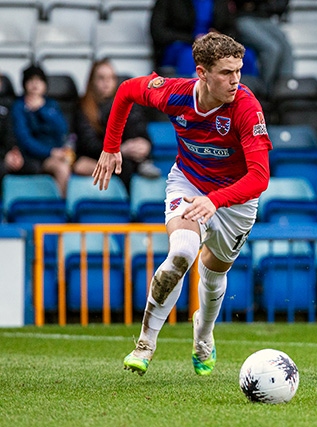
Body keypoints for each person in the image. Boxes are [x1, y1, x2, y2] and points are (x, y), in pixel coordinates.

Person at [92, 32, 272, 376]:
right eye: (226, 73)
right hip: (189, 183)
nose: (236, 80)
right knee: (182, 252)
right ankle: (145, 344)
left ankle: (203, 334)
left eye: (239, 71)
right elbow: (128, 89)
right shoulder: (174, 92)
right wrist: (112, 145)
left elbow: (260, 178)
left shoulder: (246, 108)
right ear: (201, 73)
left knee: (215, 271)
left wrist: (215, 201)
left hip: (236, 199)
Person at [74, 59, 160, 191]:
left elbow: (138, 128)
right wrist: (118, 150)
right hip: (95, 157)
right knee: (124, 165)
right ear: (92, 82)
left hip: (123, 155)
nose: (107, 82)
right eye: (101, 78)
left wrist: (145, 144)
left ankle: (143, 162)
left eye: (111, 78)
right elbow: (88, 144)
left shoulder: (124, 103)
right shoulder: (83, 108)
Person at [11, 65, 71, 196]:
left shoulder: (51, 105)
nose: (34, 85)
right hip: (34, 156)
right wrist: (50, 152)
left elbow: (63, 129)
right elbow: (24, 139)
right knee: (62, 169)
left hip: (57, 153)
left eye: (39, 81)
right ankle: (58, 211)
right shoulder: (19, 107)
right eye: (30, 80)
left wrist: (42, 109)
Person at [150, 0, 237, 77]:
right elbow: (159, 32)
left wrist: (219, 37)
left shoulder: (220, 2)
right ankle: (187, 93)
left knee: (244, 55)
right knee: (190, 56)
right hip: (180, 45)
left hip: (214, 45)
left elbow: (232, 29)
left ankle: (240, 93)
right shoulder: (169, 2)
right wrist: (193, 39)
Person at [235, 0, 294, 90]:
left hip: (264, 17)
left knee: (286, 48)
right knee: (272, 49)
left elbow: (280, 6)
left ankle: (285, 89)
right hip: (242, 17)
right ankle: (266, 90)